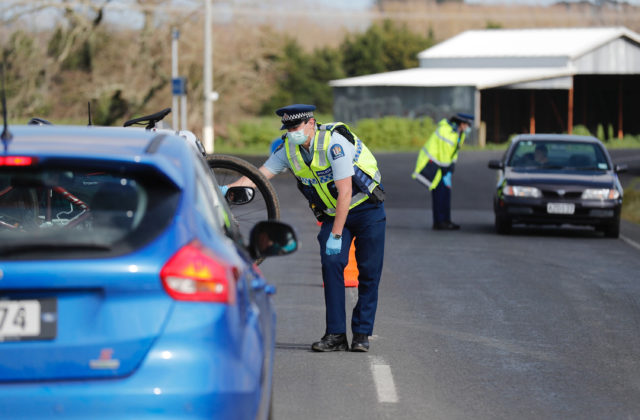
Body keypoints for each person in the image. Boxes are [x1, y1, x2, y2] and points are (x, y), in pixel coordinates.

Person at [226, 104, 386, 353]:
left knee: (368, 273)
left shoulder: (334, 144)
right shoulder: (288, 149)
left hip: (366, 210)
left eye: (296, 127)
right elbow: (258, 176)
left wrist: (335, 235)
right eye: (288, 128)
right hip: (334, 214)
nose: (292, 132)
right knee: (332, 265)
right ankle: (335, 335)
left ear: (311, 123)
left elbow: (345, 192)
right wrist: (224, 191)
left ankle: (362, 334)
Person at [412, 112, 474, 230]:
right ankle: (439, 222)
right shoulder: (446, 131)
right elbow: (444, 152)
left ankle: (446, 220)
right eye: (467, 124)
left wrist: (452, 164)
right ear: (461, 123)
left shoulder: (459, 133)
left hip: (443, 165)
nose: (468, 127)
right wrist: (447, 167)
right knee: (439, 193)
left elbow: (454, 151)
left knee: (445, 193)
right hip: (435, 164)